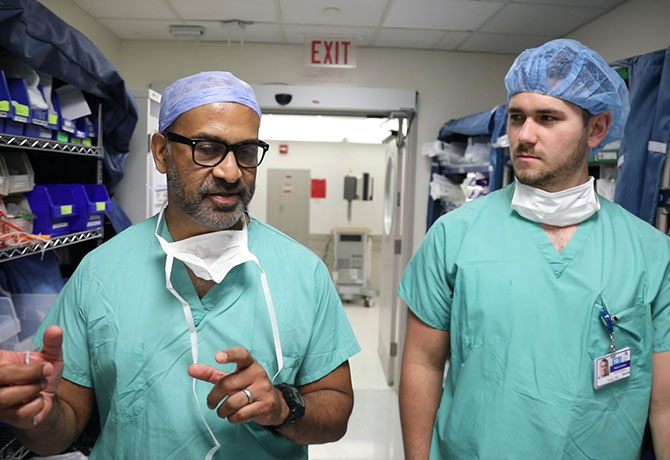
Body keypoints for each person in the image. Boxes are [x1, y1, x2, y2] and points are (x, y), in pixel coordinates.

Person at [0, 71, 360, 459]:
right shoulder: (101, 273)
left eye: (246, 151)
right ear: (161, 152)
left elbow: (335, 410)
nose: (230, 171)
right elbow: (60, 428)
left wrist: (282, 407)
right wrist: (35, 416)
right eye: (206, 148)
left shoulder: (302, 273)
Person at [398, 39, 670, 459]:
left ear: (596, 129)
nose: (525, 135)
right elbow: (422, 365)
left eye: (547, 118)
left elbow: (664, 406)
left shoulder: (650, 252)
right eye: (517, 117)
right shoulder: (454, 236)